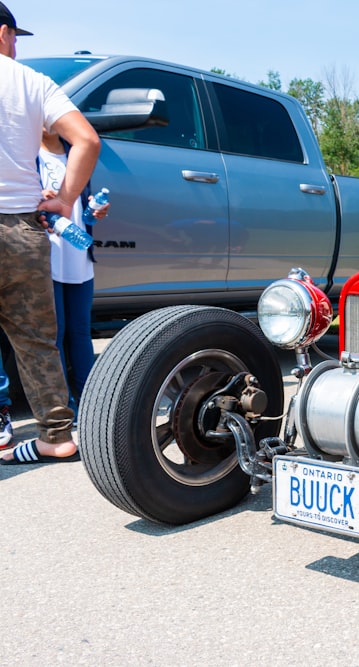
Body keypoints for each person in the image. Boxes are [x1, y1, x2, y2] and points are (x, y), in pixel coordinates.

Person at [0, 2, 101, 464]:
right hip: (21, 229)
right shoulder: (32, 83)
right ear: (4, 34)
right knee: (37, 338)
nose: (16, 47)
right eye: (16, 37)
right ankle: (57, 435)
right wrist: (63, 199)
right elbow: (87, 140)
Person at [39, 130, 109, 414]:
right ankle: (62, 405)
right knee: (54, 334)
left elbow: (83, 207)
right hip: (48, 257)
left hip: (78, 255)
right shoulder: (29, 155)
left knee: (80, 332)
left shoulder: (75, 151)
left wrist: (95, 212)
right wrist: (38, 196)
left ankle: (89, 403)